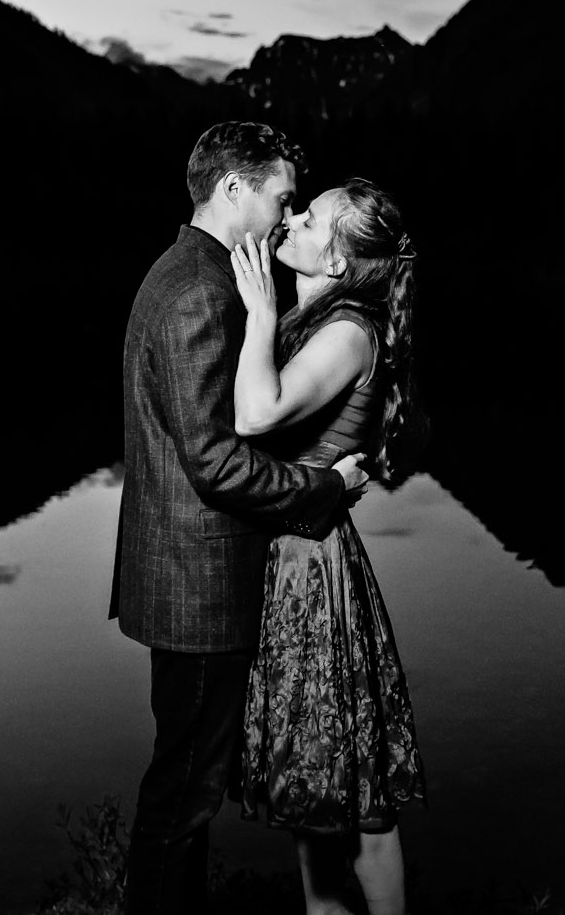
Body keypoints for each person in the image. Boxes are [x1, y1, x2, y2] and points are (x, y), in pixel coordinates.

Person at [112, 121, 372, 915]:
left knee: (185, 788)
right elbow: (215, 460)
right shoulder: (201, 289)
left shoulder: (189, 271)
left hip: (185, 574)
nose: (286, 215)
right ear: (234, 190)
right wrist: (323, 488)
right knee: (183, 799)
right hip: (199, 586)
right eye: (282, 197)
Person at [226, 177, 425, 915]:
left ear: (337, 261)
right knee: (316, 792)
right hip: (291, 560)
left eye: (310, 220)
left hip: (314, 572)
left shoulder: (347, 330)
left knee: (361, 804)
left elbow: (257, 413)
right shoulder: (317, 322)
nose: (293, 218)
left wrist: (259, 311)